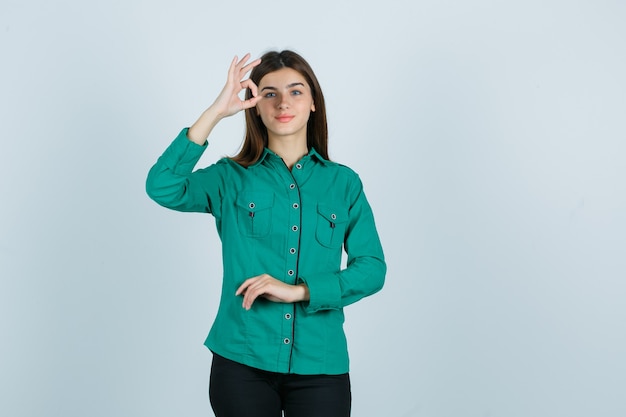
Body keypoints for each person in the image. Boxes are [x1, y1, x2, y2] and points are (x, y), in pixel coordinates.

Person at [146, 50, 386, 417]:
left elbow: (372, 268)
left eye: (295, 91)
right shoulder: (230, 177)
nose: (282, 103)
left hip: (320, 364)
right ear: (255, 106)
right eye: (269, 93)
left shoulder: (344, 184)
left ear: (313, 104)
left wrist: (299, 291)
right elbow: (163, 186)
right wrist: (215, 112)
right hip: (242, 361)